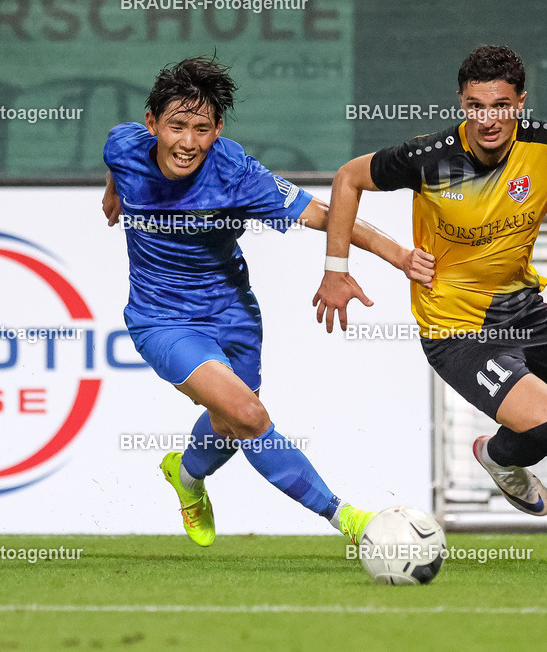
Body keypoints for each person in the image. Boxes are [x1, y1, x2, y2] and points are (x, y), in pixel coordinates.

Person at [313, 44, 547, 565]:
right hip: (455, 328)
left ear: (520, 102)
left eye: (499, 104)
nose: (487, 119)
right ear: (461, 104)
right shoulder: (430, 157)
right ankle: (497, 456)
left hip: (523, 310)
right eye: (475, 106)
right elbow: (347, 178)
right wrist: (338, 271)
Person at [101, 55, 430, 546]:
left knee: (229, 422)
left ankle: (186, 476)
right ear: (152, 125)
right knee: (250, 415)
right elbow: (116, 156)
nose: (188, 143)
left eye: (202, 129)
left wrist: (399, 255)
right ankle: (350, 520)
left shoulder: (235, 172)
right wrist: (114, 192)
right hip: (162, 319)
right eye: (176, 127)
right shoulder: (124, 146)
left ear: (217, 130)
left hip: (234, 315)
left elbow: (322, 213)